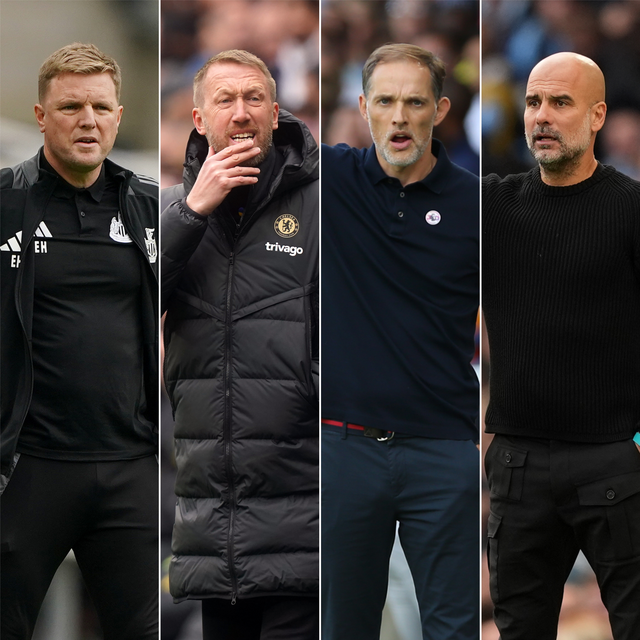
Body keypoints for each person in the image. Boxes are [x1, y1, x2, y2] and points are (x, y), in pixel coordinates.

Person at [0, 43, 159, 639]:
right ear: (42, 117)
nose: (87, 120)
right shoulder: (6, 200)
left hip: (129, 467)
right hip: (29, 469)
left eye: (100, 107)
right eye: (70, 107)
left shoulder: (147, 207)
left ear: (118, 115)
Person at [321, 43, 480, 640]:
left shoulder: (477, 205)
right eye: (385, 101)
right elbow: (247, 127)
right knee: (342, 626)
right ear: (363, 106)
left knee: (453, 628)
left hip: (443, 450)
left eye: (414, 102)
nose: (399, 116)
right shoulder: (329, 178)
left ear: (439, 110)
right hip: (343, 446)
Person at [161, 49, 319, 639]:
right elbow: (127, 313)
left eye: (254, 98)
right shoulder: (173, 214)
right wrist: (192, 212)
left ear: (275, 114)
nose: (242, 111)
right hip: (212, 527)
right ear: (199, 119)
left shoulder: (322, 205)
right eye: (225, 100)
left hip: (301, 514)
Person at [483, 52, 640, 640]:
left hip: (615, 463)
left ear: (598, 115)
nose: (542, 117)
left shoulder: (630, 210)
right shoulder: (494, 208)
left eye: (560, 103)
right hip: (519, 467)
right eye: (532, 103)